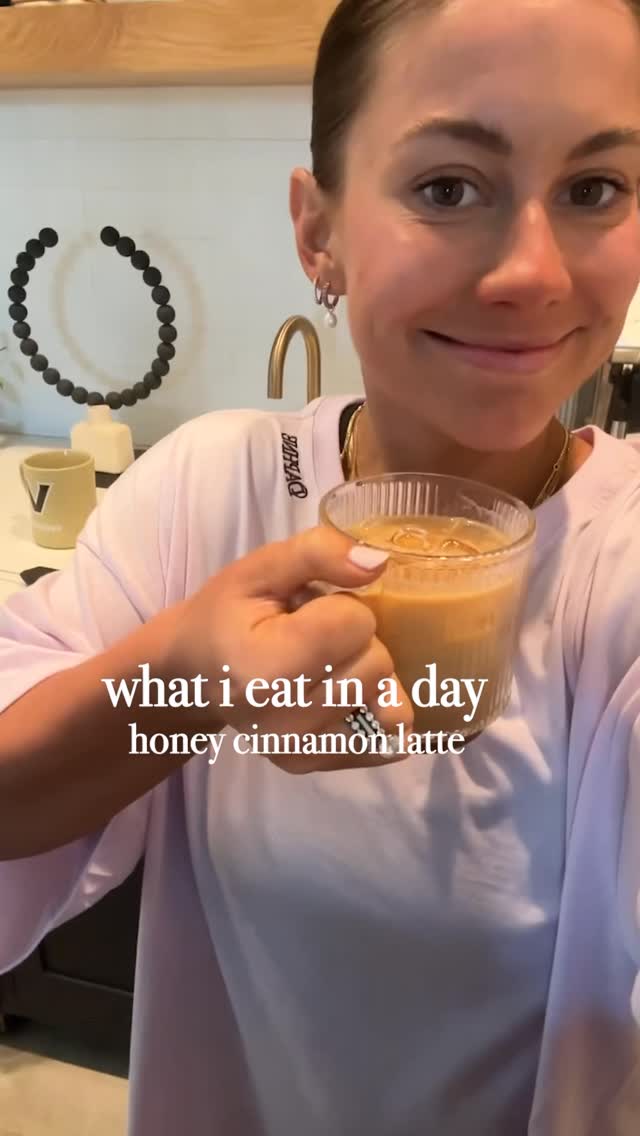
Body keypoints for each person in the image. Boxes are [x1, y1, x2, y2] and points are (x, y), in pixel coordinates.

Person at [2, 0, 640, 1130]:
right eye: (448, 187)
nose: (532, 274)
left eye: (594, 189)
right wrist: (182, 686)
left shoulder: (620, 565)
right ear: (318, 231)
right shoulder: (210, 492)